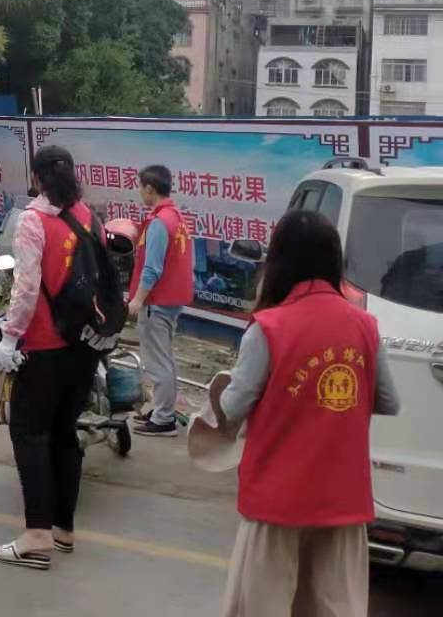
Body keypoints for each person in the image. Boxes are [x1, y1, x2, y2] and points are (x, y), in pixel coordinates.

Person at [206, 210, 400, 616]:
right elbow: (389, 401)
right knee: (336, 608)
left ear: (279, 262)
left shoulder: (269, 327)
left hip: (276, 501)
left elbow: (233, 408)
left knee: (263, 606)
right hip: (343, 499)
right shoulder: (365, 326)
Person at [0, 146, 100, 572]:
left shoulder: (34, 221)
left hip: (45, 346)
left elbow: (26, 288)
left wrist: (10, 339)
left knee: (30, 433)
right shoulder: (88, 217)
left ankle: (36, 536)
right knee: (65, 433)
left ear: (36, 176)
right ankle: (63, 529)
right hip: (84, 347)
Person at [127, 164, 193, 437]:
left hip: (157, 302)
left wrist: (137, 301)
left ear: (150, 188)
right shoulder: (177, 218)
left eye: (140, 187)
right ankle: (162, 410)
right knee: (166, 358)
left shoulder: (158, 223)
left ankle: (164, 418)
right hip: (171, 301)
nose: (139, 192)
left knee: (157, 362)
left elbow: (152, 268)